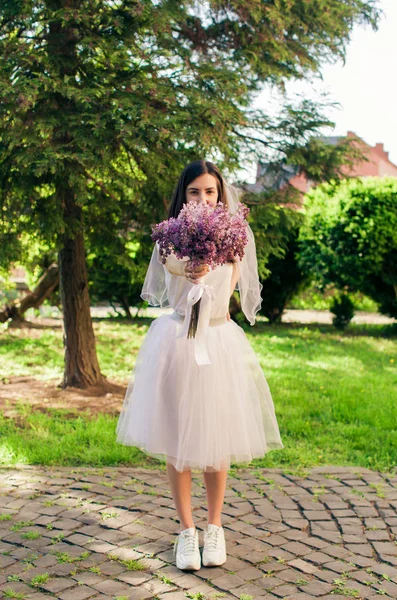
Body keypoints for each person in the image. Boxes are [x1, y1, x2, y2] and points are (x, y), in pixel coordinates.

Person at [115, 159, 284, 571]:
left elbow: (239, 288)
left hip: (219, 341)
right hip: (177, 342)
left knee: (216, 438)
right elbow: (166, 278)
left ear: (220, 193)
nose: (203, 198)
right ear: (183, 195)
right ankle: (186, 531)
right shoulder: (170, 237)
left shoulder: (234, 236)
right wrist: (186, 266)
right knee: (178, 440)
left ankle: (214, 526)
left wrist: (215, 265)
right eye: (195, 192)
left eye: (210, 191)